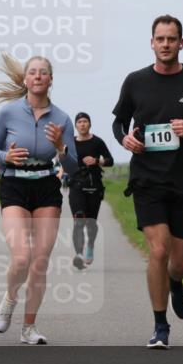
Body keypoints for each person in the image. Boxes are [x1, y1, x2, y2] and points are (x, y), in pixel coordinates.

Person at [111, 15, 183, 350]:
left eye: (171, 39)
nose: (165, 44)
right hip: (147, 180)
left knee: (181, 262)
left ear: (181, 43)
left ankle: (177, 283)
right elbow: (119, 121)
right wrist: (125, 140)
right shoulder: (135, 81)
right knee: (158, 250)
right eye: (160, 39)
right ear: (151, 43)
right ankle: (160, 326)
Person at [0, 53, 78, 345]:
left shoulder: (62, 118)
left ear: (51, 80)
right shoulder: (8, 113)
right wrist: (6, 156)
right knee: (22, 257)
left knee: (39, 261)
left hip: (46, 187)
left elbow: (74, 165)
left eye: (43, 72)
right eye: (33, 72)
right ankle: (10, 299)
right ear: (25, 79)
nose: (38, 76)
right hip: (14, 184)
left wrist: (61, 146)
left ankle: (29, 328)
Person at [68, 112, 114, 269]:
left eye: (85, 121)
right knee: (79, 220)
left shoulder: (97, 142)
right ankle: (79, 255)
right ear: (75, 125)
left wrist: (97, 161)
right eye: (79, 122)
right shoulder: (70, 143)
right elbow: (63, 159)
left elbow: (110, 161)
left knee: (91, 223)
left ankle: (90, 246)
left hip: (94, 185)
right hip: (76, 185)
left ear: (90, 124)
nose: (82, 124)